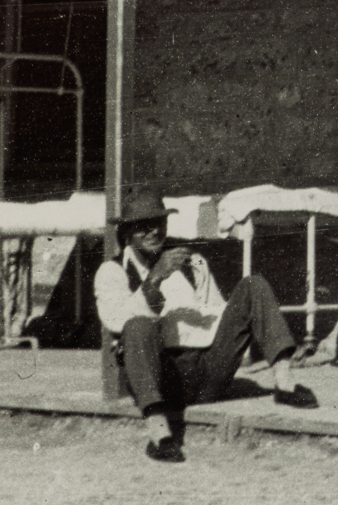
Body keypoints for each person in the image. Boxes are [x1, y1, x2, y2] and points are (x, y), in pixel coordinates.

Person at [95, 186, 317, 463]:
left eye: (159, 224)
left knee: (253, 286)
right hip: (164, 378)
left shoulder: (189, 262)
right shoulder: (112, 272)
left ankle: (285, 385)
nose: (154, 232)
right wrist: (154, 279)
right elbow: (115, 320)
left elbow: (217, 312)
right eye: (144, 226)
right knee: (138, 325)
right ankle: (159, 433)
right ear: (127, 231)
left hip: (208, 369)